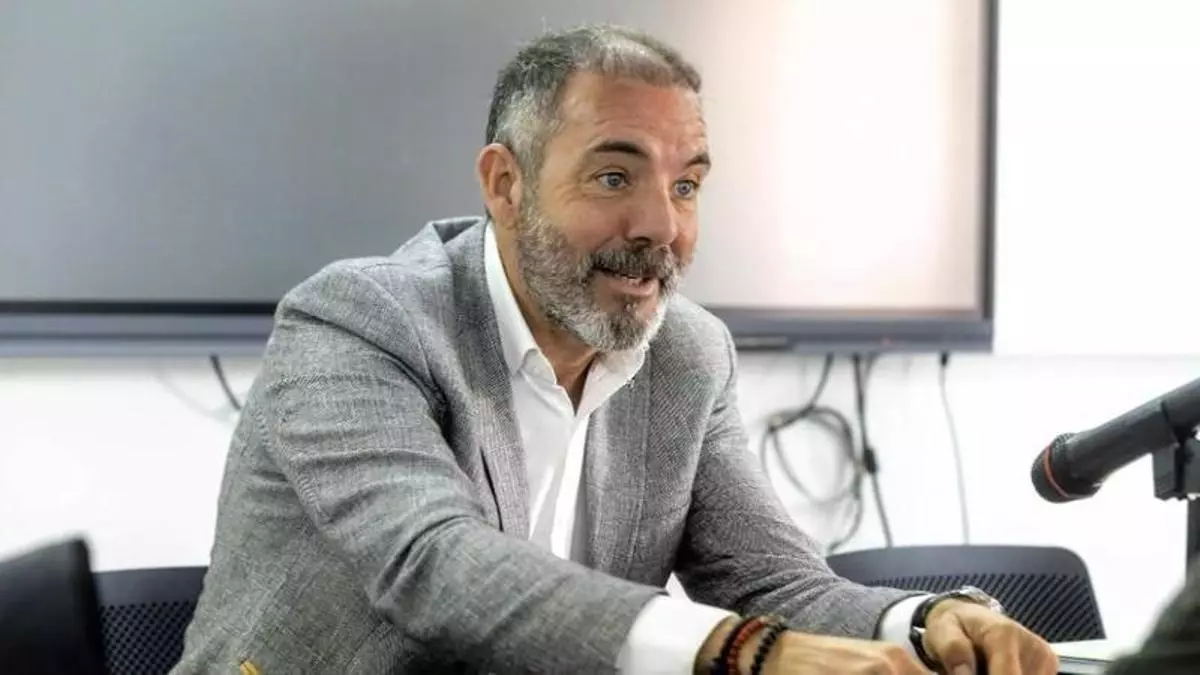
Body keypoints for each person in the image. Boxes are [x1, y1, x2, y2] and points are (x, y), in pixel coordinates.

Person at [173, 24, 1057, 674]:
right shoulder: (360, 321)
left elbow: (773, 580)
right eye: (613, 176)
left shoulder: (688, 354)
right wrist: (739, 651)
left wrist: (922, 623)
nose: (661, 227)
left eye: (687, 185)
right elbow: (433, 563)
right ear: (505, 184)